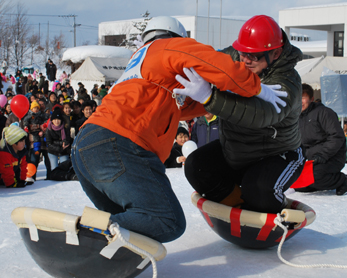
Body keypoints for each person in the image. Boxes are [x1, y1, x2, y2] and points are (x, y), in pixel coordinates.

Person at [71, 16, 278, 243]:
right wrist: (256, 88)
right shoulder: (167, 46)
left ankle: (97, 255)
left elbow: (178, 108)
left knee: (130, 229)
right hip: (119, 142)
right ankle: (83, 233)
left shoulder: (140, 64)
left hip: (88, 145)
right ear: (178, 39)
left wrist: (212, 98)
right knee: (166, 220)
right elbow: (217, 63)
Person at [183, 15, 303, 214]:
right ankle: (237, 204)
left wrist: (209, 97)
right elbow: (207, 59)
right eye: (242, 53)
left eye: (254, 56)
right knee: (196, 166)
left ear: (275, 53)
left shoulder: (287, 82)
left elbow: (259, 114)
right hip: (237, 151)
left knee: (259, 190)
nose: (245, 60)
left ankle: (272, 208)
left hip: (275, 153)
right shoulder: (239, 56)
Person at [297, 84, 347, 195]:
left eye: (303, 98)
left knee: (316, 176)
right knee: (297, 182)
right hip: (313, 158)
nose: (300, 101)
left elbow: (337, 136)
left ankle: (341, 180)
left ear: (311, 99)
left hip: (332, 156)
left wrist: (323, 154)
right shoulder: (297, 116)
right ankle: (315, 184)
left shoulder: (324, 112)